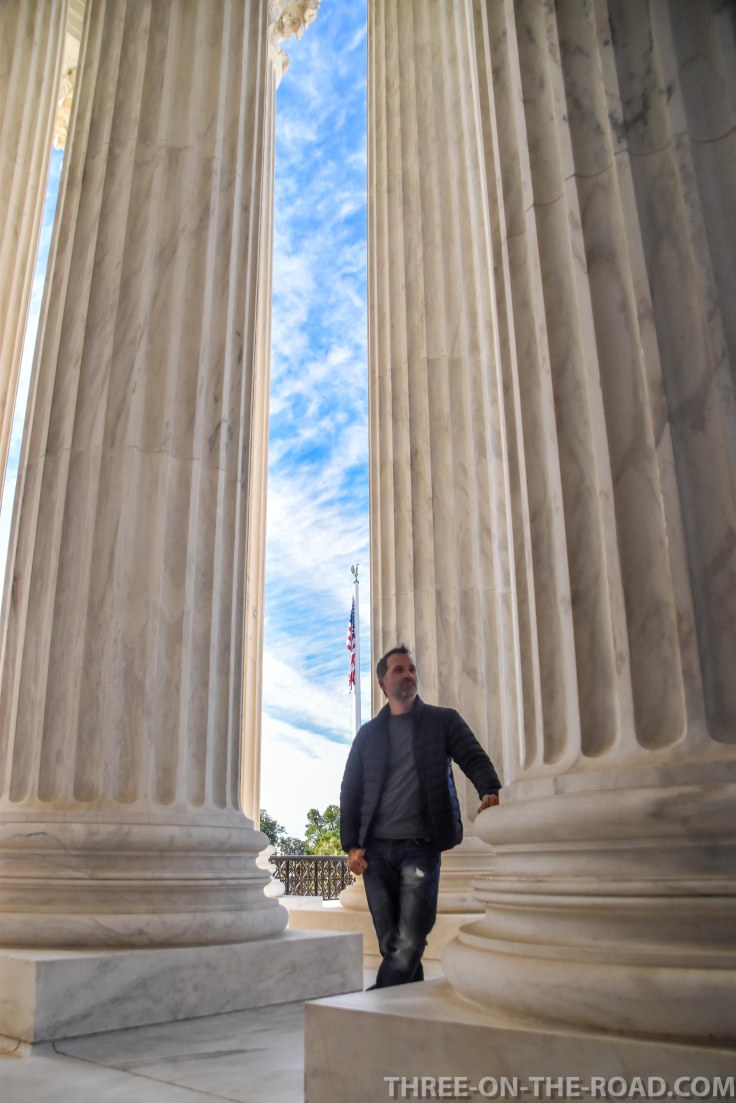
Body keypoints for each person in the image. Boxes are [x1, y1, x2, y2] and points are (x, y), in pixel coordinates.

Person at [340, 644, 501, 988]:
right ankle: (405, 1007)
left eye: (411, 668)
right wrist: (351, 846)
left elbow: (473, 757)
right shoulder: (368, 735)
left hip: (420, 847)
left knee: (410, 939)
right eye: (398, 670)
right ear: (383, 682)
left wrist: (488, 788)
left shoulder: (443, 721)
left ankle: (376, 1003)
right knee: (391, 943)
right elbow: (350, 792)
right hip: (376, 853)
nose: (408, 674)